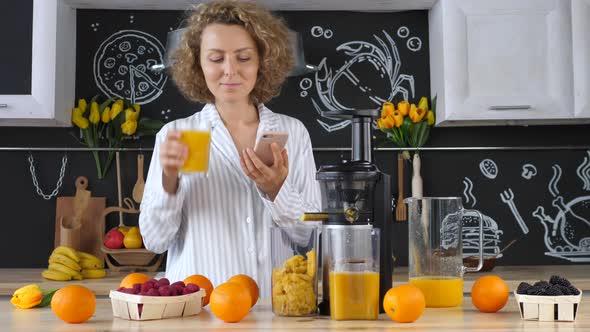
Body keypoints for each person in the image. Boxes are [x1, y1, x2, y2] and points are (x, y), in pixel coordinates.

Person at [139, 0, 321, 298]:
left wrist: (277, 191)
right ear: (198, 64)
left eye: (243, 57)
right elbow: (155, 242)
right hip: (197, 309)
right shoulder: (179, 135)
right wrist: (169, 183)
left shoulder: (292, 133)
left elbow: (308, 234)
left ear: (263, 60)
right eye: (216, 58)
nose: (230, 70)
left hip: (274, 309)